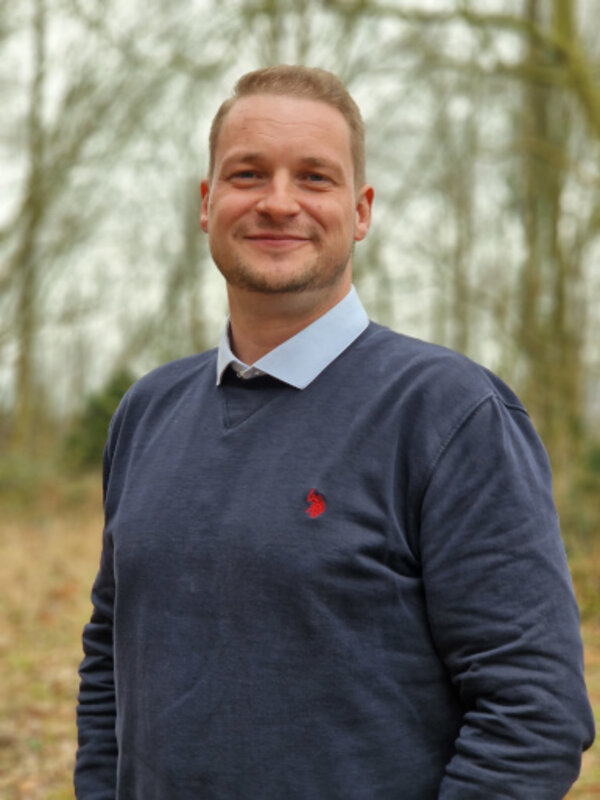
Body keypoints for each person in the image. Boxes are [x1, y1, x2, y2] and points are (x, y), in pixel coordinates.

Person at [75, 65, 594, 799]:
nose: (278, 201)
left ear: (360, 211)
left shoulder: (451, 414)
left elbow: (533, 714)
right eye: (249, 174)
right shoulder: (148, 411)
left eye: (314, 178)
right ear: (207, 202)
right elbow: (111, 660)